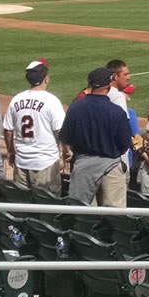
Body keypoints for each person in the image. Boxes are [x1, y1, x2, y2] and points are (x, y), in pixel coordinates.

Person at [62, 67, 131, 207]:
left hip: (83, 166)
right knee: (114, 217)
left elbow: (66, 138)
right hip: (111, 167)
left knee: (84, 216)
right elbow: (125, 144)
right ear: (109, 85)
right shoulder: (116, 112)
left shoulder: (75, 108)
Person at [3, 59, 65, 191]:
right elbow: (60, 131)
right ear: (46, 79)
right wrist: (66, 151)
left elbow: (8, 129)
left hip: (21, 163)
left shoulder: (17, 99)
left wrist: (11, 151)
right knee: (47, 205)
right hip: (45, 164)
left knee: (23, 204)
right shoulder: (52, 101)